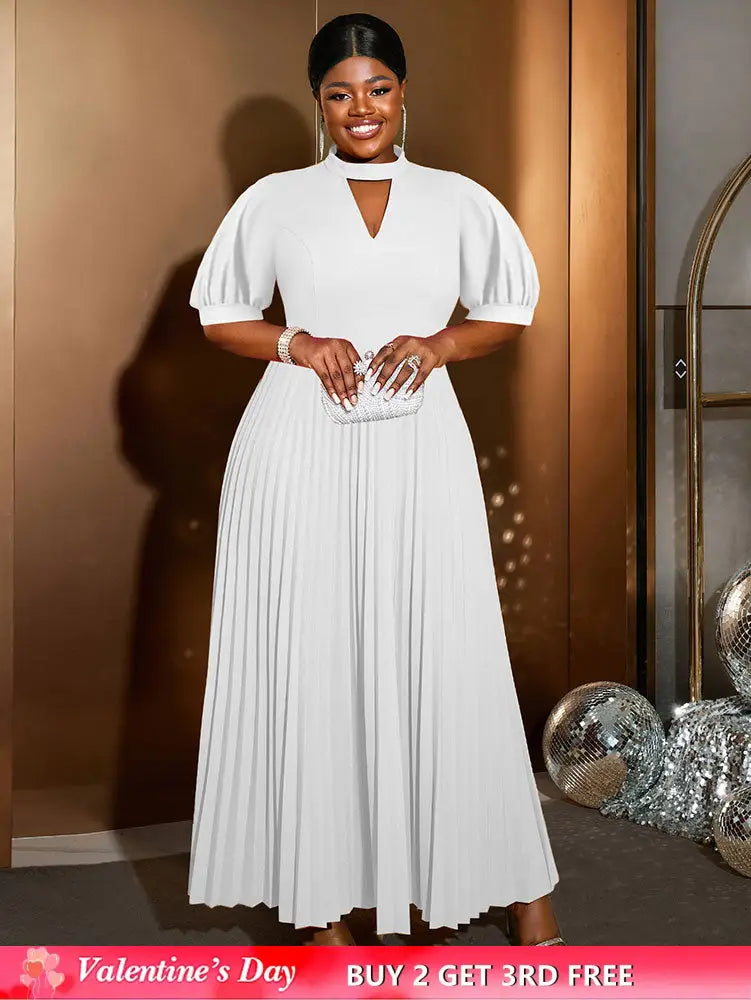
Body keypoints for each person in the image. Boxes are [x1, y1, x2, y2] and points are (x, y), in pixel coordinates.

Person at [187, 12, 565, 947]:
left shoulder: (456, 199)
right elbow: (220, 314)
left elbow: (507, 307)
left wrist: (440, 345)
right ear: (319, 104)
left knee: (451, 655)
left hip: (419, 447)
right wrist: (294, 341)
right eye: (339, 93)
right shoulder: (275, 199)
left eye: (377, 88)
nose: (361, 108)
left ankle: (523, 892)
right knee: (312, 663)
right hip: (297, 450)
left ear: (402, 92)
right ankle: (319, 914)